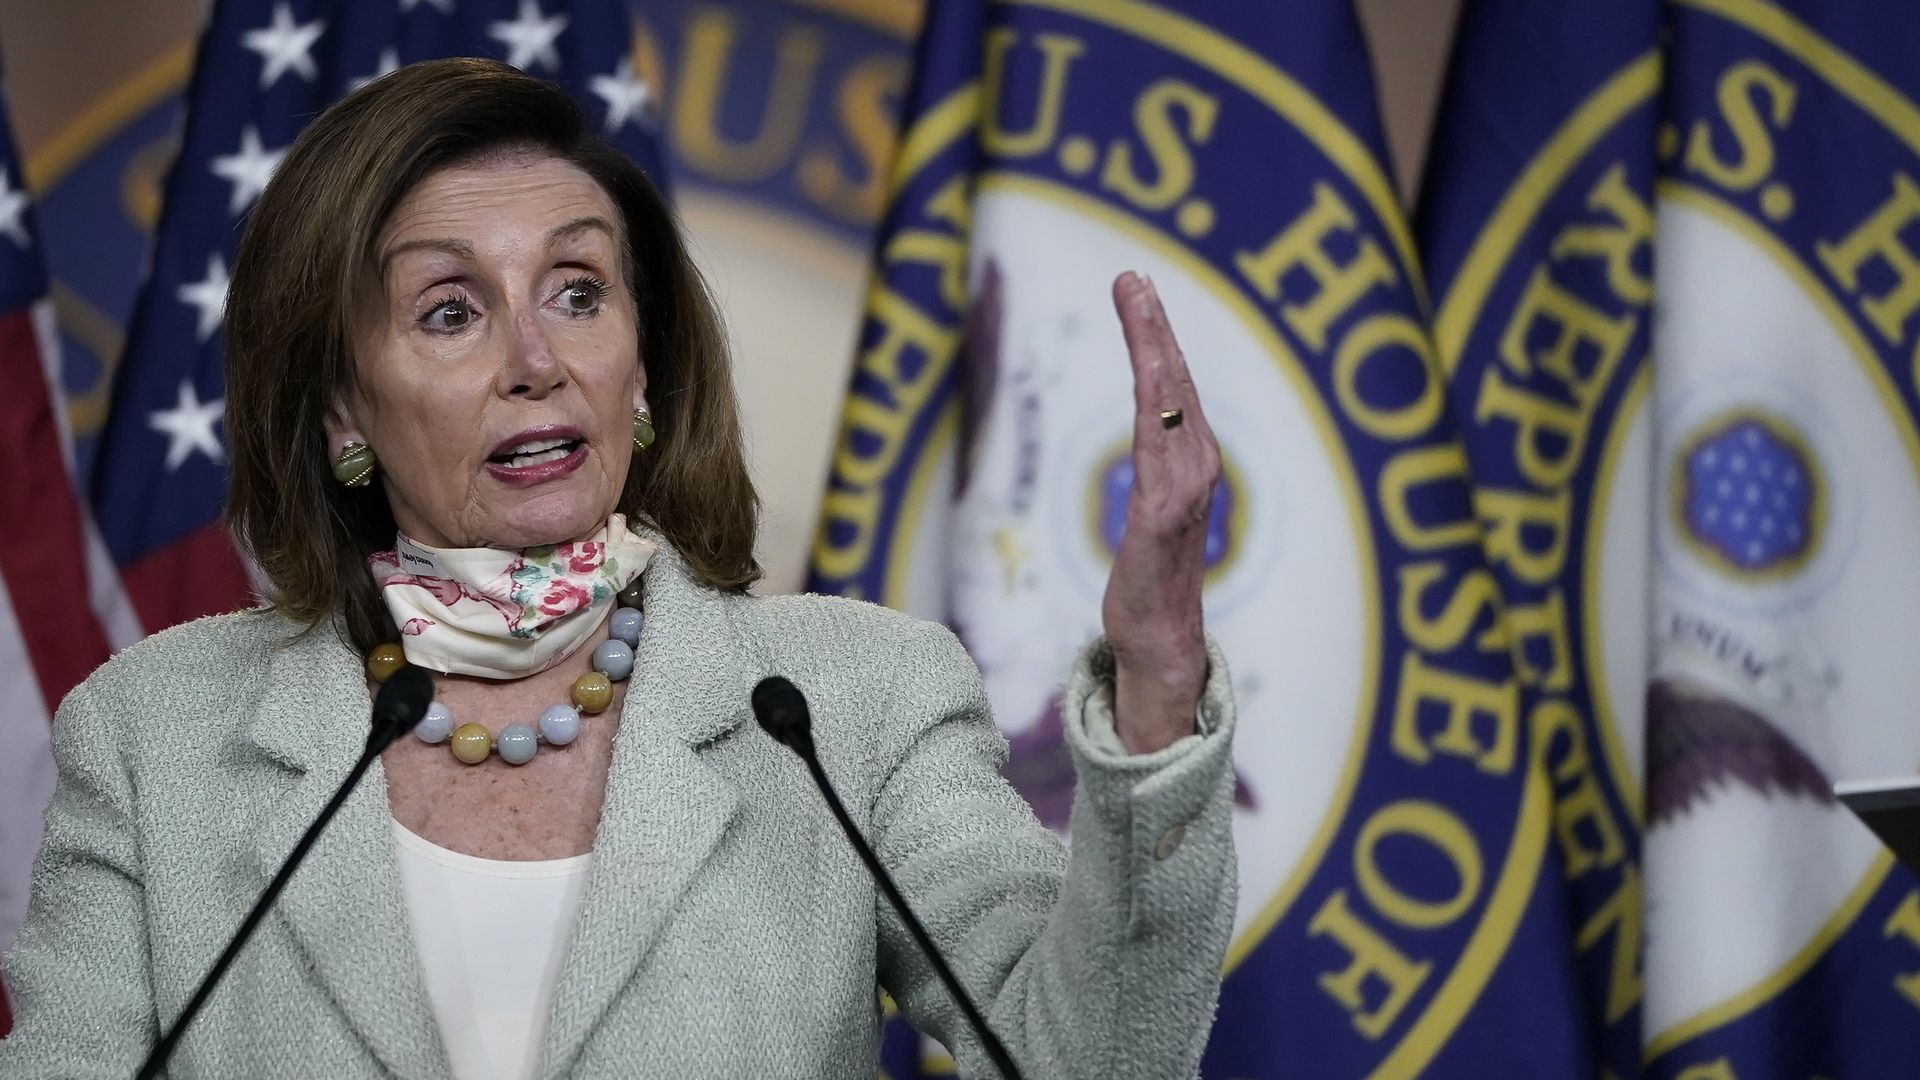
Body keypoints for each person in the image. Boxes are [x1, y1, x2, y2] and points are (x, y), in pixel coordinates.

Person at [0, 58, 1237, 1080]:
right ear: (342, 410)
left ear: (641, 367)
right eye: (451, 311)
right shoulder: (155, 738)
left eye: (579, 292)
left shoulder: (851, 703)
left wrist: (1160, 680)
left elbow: (1094, 1060)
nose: (536, 359)